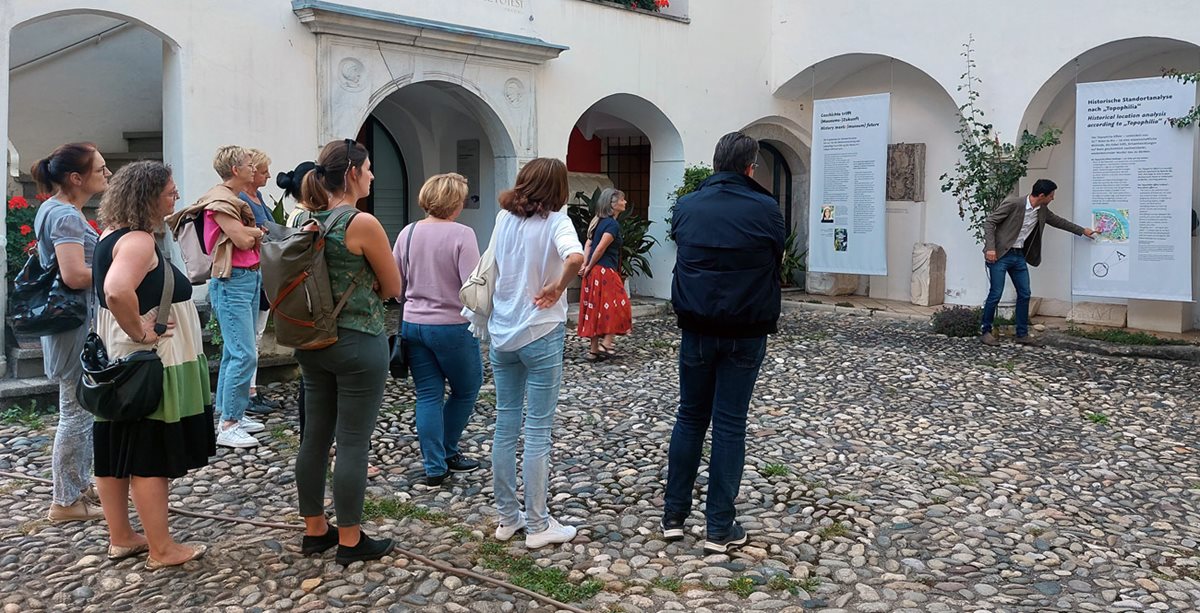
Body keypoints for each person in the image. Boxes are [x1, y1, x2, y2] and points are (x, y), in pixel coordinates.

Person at [662, 132, 785, 554]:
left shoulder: (687, 205)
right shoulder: (766, 208)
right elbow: (776, 257)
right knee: (729, 423)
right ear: (751, 167)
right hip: (746, 329)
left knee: (690, 417)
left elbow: (682, 244)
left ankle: (673, 517)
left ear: (715, 163)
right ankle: (719, 526)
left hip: (696, 324)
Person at [93, 160, 213, 568]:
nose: (175, 195)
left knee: (116, 447)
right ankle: (162, 550)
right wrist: (141, 332)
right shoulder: (139, 241)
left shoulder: (112, 234)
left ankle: (123, 536)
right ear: (148, 196)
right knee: (148, 451)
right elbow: (115, 290)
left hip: (121, 358)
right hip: (152, 358)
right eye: (169, 190)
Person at [293, 139, 401, 565]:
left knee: (314, 437)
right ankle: (352, 541)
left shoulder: (306, 216)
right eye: (370, 168)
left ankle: (315, 531)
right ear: (353, 172)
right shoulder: (361, 223)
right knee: (353, 441)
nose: (373, 176)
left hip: (312, 340)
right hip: (359, 339)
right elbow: (394, 288)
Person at [487, 158, 585, 550]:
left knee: (505, 423)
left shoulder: (503, 219)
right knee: (538, 430)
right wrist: (558, 288)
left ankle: (508, 517)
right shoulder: (557, 222)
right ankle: (540, 524)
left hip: (502, 332)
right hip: (540, 331)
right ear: (559, 189)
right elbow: (575, 258)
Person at [31, 143, 111, 522]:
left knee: (79, 408)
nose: (107, 174)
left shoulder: (59, 210)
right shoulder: (65, 216)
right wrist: (121, 274)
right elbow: (73, 274)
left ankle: (78, 486)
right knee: (75, 412)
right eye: (100, 169)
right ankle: (64, 501)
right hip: (73, 323)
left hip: (73, 320)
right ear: (76, 178)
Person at [171, 145, 266, 448]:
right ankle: (228, 425)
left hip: (246, 278)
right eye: (250, 164)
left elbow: (242, 234)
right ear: (236, 170)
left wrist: (252, 232)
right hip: (232, 281)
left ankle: (231, 412)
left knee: (234, 352)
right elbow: (240, 238)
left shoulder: (231, 198)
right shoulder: (220, 201)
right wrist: (258, 233)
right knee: (243, 353)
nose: (254, 169)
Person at [394, 173, 483, 487]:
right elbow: (471, 286)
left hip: (413, 324)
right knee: (467, 388)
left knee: (428, 394)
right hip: (451, 326)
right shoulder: (463, 234)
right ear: (455, 203)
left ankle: (435, 466)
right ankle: (448, 451)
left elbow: (396, 286)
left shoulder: (408, 232)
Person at [980, 179, 1094, 346]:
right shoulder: (1014, 203)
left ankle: (1021, 334)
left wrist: (1083, 231)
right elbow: (990, 222)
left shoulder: (1042, 210)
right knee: (996, 293)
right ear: (1042, 195)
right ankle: (986, 331)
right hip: (1000, 255)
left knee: (1025, 293)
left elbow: (1058, 221)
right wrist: (990, 248)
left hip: (1019, 256)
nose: (1053, 198)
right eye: (1051, 195)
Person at [238, 148, 281, 416]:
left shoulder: (258, 196)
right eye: (263, 171)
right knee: (250, 337)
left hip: (264, 271)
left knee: (257, 333)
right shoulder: (244, 198)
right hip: (254, 271)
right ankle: (248, 393)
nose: (267, 176)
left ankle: (251, 390)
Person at [577, 187, 632, 361]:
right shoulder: (612, 225)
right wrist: (589, 264)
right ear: (613, 204)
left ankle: (594, 351)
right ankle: (606, 343)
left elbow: (589, 244)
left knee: (596, 308)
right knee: (619, 306)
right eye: (622, 200)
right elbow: (600, 248)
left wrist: (586, 265)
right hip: (605, 272)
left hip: (594, 272)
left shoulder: (597, 221)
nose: (625, 203)